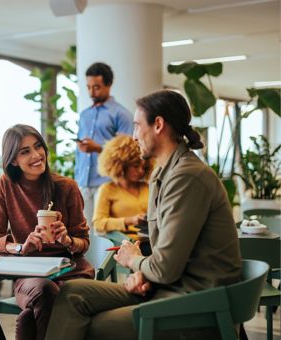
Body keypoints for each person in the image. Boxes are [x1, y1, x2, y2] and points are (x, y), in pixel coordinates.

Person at [45, 90, 242, 340]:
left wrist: (133, 261)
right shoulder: (164, 174)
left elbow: (165, 269)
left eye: (137, 126)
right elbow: (165, 258)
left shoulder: (187, 177)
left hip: (197, 302)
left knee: (95, 326)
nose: (134, 135)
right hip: (168, 287)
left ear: (158, 125)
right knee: (73, 292)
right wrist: (142, 272)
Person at [0, 124, 94, 340]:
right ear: (13, 160)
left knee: (45, 304)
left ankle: (26, 323)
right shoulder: (6, 185)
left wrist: (68, 240)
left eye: (38, 147)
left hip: (68, 271)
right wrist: (21, 247)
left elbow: (84, 242)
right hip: (29, 273)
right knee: (44, 290)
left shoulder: (66, 187)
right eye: (25, 152)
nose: (36, 155)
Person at [75, 62, 134, 225]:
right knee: (83, 231)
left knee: (105, 233)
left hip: (107, 183)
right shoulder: (84, 115)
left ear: (109, 85)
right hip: (84, 184)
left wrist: (98, 148)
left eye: (97, 87)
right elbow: (78, 153)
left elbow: (128, 152)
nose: (91, 92)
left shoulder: (122, 115)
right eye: (88, 87)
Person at [93, 135, 153, 237]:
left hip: (151, 242)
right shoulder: (107, 189)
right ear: (121, 165)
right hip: (123, 244)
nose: (141, 171)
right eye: (135, 166)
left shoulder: (148, 187)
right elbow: (98, 224)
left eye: (144, 167)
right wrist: (129, 221)